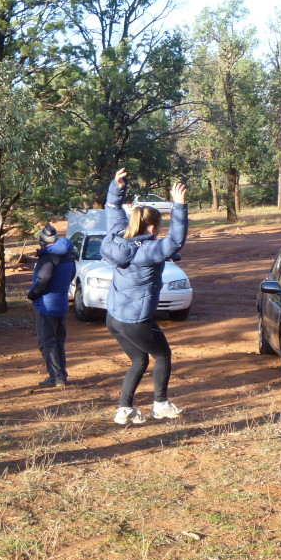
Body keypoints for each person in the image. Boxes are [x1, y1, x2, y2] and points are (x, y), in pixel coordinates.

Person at [101, 168, 189, 425]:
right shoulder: (148, 250)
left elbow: (112, 208)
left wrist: (117, 187)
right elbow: (175, 241)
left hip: (114, 317)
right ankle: (160, 404)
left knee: (139, 360)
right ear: (151, 227)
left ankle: (125, 410)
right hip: (136, 320)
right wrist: (179, 206)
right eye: (159, 227)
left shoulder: (118, 238)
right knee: (162, 356)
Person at [26, 223, 77, 387]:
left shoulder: (49, 258)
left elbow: (42, 280)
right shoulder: (68, 255)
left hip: (47, 305)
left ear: (42, 241)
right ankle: (62, 374)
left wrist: (32, 294)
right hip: (61, 303)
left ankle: (56, 377)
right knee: (59, 341)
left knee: (47, 342)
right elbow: (72, 275)